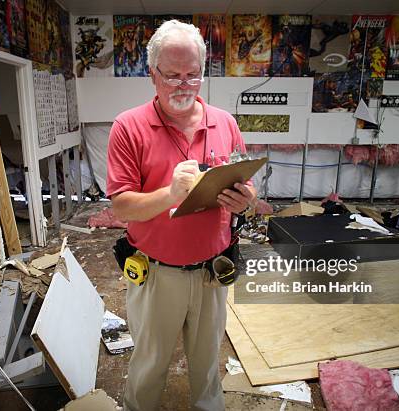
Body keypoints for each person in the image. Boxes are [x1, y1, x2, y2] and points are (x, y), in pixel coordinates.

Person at [106, 19, 256, 411]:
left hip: (212, 272)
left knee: (207, 367)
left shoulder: (224, 123)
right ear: (153, 74)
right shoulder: (129, 126)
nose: (182, 85)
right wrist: (170, 194)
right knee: (149, 366)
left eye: (192, 75)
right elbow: (120, 205)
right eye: (172, 75)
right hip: (157, 275)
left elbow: (247, 182)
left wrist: (246, 199)